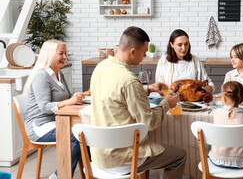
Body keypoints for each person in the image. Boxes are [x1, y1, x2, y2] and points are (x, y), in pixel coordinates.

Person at [90, 26, 186, 179]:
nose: (145, 55)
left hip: (98, 156)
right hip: (123, 157)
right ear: (133, 51)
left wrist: (148, 88)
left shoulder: (101, 68)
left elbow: (117, 92)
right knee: (179, 155)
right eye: (144, 51)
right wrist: (166, 104)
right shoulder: (129, 80)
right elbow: (148, 123)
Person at [23, 39, 90, 179]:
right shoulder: (42, 76)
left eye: (65, 53)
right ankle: (60, 176)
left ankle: (91, 172)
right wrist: (70, 101)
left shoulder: (58, 73)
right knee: (78, 135)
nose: (65, 57)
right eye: (61, 54)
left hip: (55, 122)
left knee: (87, 131)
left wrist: (85, 94)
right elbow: (44, 107)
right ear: (50, 55)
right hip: (39, 126)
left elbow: (68, 96)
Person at [209, 81, 243, 168]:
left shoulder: (216, 113)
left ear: (223, 98)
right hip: (240, 162)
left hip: (216, 159)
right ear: (242, 98)